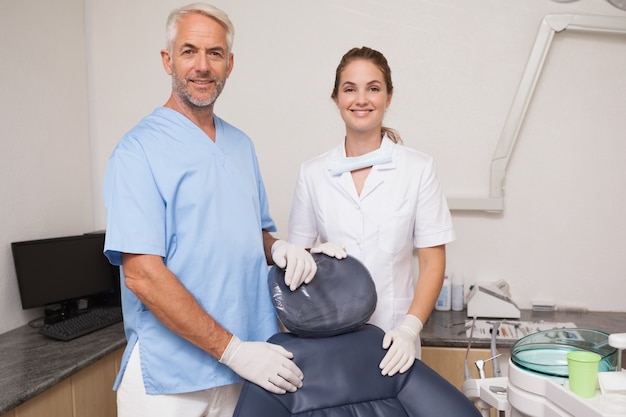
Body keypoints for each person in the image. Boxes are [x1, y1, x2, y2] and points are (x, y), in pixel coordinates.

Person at [102, 4, 321, 416]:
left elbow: (248, 232)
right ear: (168, 59)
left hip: (247, 369)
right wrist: (232, 350)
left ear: (230, 64)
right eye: (189, 51)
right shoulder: (137, 151)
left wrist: (278, 249)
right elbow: (142, 274)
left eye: (215, 53)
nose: (202, 66)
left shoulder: (240, 145)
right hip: (172, 381)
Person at [287, 46, 456, 378]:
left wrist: (410, 329)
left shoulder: (418, 169)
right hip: (330, 340)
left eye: (373, 88)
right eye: (350, 89)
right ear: (336, 98)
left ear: (389, 97)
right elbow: (296, 261)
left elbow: (433, 261)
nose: (361, 99)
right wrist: (312, 257)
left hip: (395, 340)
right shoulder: (313, 173)